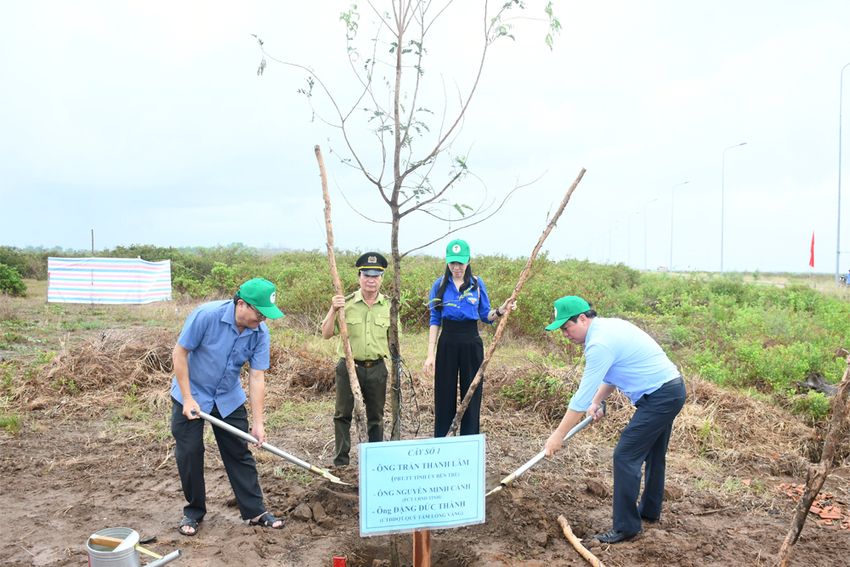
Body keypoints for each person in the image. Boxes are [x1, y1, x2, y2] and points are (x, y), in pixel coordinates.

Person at [543, 295, 685, 544]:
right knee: (652, 452)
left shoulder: (599, 343)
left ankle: (626, 527)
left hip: (661, 396)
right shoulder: (607, 328)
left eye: (567, 327)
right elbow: (611, 374)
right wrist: (596, 402)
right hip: (669, 390)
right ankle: (649, 512)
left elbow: (580, 398)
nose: (565, 334)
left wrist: (558, 436)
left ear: (583, 319)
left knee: (625, 456)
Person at [170, 277, 286, 536]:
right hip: (192, 392)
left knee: (239, 451)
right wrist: (188, 398)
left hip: (227, 396)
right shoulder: (206, 316)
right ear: (242, 304)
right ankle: (194, 512)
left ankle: (255, 511)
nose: (263, 320)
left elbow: (256, 376)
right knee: (190, 452)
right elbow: (180, 353)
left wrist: (258, 423)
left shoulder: (260, 333)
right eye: (260, 314)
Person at [423, 239, 515, 437]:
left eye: (461, 263)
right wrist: (430, 354)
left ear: (468, 261)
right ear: (447, 262)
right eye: (453, 263)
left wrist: (501, 310)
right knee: (444, 393)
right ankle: (443, 439)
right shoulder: (439, 285)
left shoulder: (476, 284)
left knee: (471, 393)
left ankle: (469, 440)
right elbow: (434, 319)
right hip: (447, 340)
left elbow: (485, 315)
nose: (456, 268)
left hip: (471, 340)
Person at [321, 252, 391, 467]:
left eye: (376, 275)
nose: (371, 280)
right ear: (359, 276)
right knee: (342, 414)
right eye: (366, 275)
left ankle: (377, 459)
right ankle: (342, 461)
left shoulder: (388, 306)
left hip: (377, 368)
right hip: (349, 367)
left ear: (381, 278)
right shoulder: (346, 304)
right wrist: (333, 309)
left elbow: (394, 341)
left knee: (376, 416)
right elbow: (325, 333)